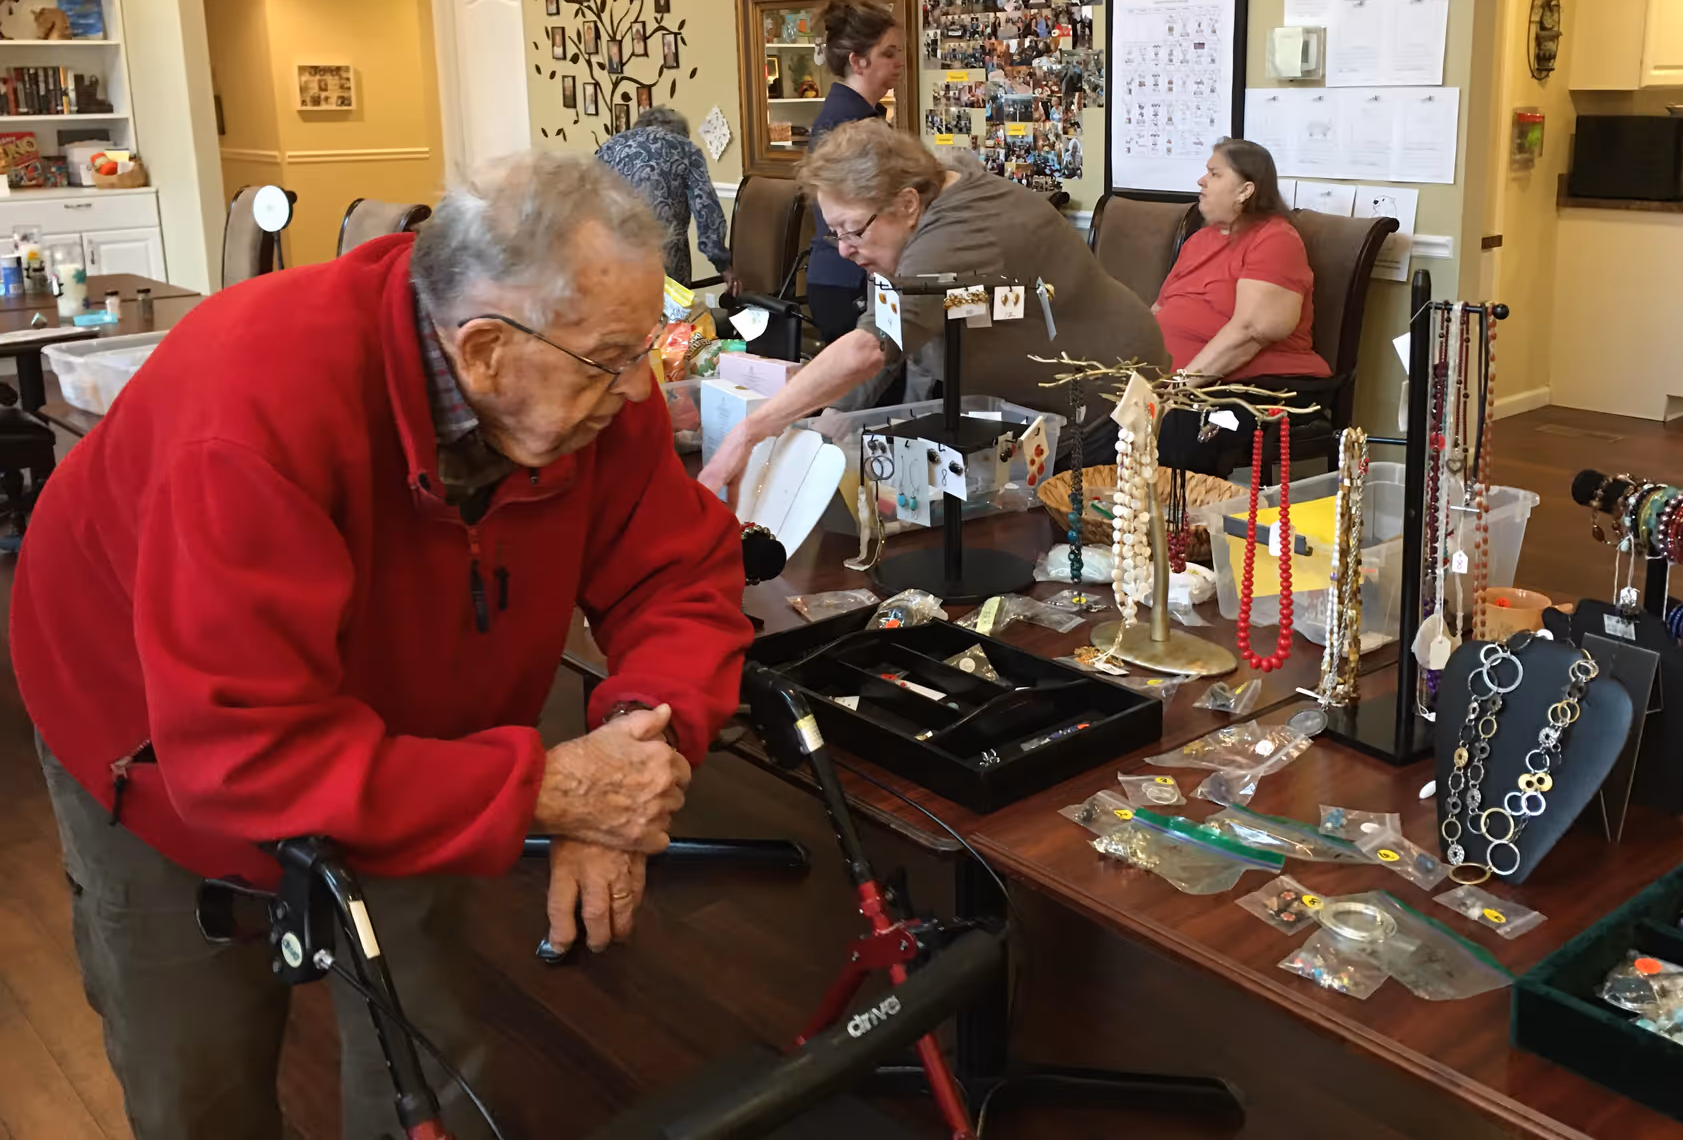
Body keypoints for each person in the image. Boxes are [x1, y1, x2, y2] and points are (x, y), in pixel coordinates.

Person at [13, 151, 753, 1139]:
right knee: (196, 1069)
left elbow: (679, 575)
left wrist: (632, 758)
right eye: (617, 359)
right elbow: (242, 758)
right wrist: (547, 787)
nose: (638, 388)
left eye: (642, 350)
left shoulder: (580, 369)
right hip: (152, 739)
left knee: (428, 1047)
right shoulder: (254, 412)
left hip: (412, 726)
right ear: (483, 348)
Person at [701, 121, 1166, 495]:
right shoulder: (909, 215)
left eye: (851, 230)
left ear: (906, 204)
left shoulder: (956, 232)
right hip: (1035, 408)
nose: (843, 250)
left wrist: (752, 431)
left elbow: (870, 349)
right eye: (834, 233)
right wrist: (830, 421)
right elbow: (888, 326)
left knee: (1082, 550)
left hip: (1108, 401)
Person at [1154, 139, 1333, 477]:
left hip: (1259, 389)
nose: (1201, 181)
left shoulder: (1275, 239)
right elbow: (1160, 309)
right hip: (1185, 380)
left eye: (1214, 173)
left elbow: (1250, 332)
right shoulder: (1200, 240)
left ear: (1245, 190)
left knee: (1178, 425)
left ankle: (1178, 525)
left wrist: (1175, 391)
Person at [804, 0, 906, 343]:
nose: (899, 62)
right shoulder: (848, 125)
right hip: (848, 280)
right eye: (888, 53)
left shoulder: (861, 116)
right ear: (858, 61)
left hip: (849, 277)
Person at [596, 105, 733, 290]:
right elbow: (706, 210)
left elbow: (589, 200)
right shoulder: (686, 149)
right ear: (680, 131)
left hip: (612, 258)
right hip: (666, 259)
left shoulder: (609, 147)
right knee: (669, 317)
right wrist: (723, 264)